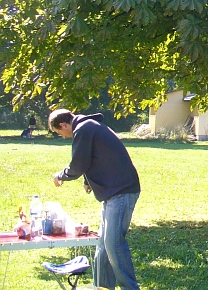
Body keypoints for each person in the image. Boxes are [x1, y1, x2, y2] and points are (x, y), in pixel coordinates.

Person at [49, 108, 141, 290]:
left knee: (113, 244)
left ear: (63, 124)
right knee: (103, 244)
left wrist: (61, 175)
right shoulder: (89, 126)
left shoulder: (84, 129)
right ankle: (102, 287)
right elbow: (93, 156)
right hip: (112, 192)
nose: (63, 137)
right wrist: (87, 181)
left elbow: (78, 164)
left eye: (59, 132)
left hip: (121, 191)